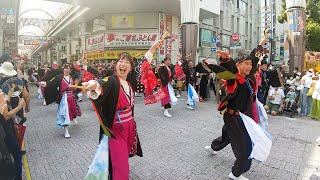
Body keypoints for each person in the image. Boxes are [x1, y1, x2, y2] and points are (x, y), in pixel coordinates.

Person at [83, 40, 162, 180]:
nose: (122, 64)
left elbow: (143, 64)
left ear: (131, 68)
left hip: (130, 127)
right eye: (120, 61)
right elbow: (101, 83)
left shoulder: (130, 82)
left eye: (126, 62)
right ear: (116, 65)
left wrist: (154, 47)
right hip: (116, 130)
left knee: (120, 161)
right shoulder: (112, 81)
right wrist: (93, 84)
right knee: (121, 167)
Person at [205, 50, 255, 180]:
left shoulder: (246, 80)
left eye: (251, 64)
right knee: (245, 146)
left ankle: (212, 147)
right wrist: (227, 59)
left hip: (239, 117)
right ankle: (235, 173)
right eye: (246, 63)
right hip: (234, 117)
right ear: (238, 65)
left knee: (226, 136)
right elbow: (229, 72)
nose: (249, 66)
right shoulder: (234, 79)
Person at [39, 64, 81, 138]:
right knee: (65, 113)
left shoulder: (73, 77)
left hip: (72, 97)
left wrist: (77, 85)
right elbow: (52, 83)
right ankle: (66, 131)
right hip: (64, 98)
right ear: (63, 69)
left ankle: (74, 118)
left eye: (68, 68)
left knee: (73, 110)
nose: (67, 70)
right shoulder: (59, 77)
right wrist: (45, 83)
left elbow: (77, 83)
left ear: (70, 70)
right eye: (65, 68)